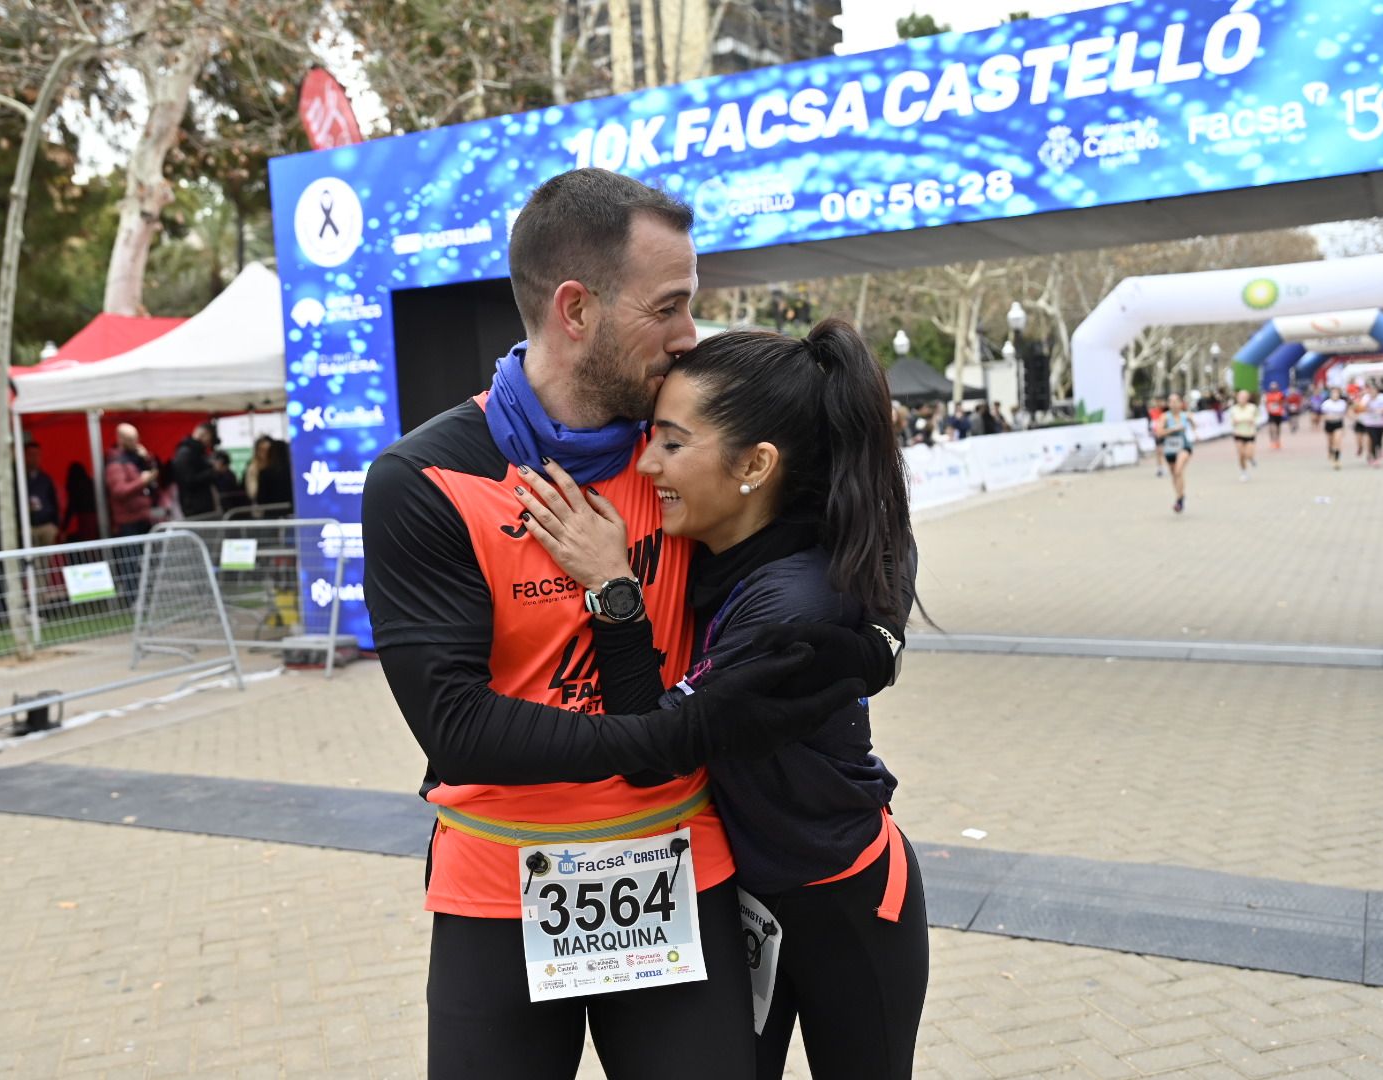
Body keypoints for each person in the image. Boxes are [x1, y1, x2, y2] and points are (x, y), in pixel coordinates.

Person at [360, 168, 894, 1080]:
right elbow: (459, 732)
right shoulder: (423, 481)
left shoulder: (688, 454)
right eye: (670, 306)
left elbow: (827, 545)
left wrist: (851, 649)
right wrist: (670, 732)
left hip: (683, 876)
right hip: (500, 890)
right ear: (576, 309)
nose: (691, 335)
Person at [512, 319, 927, 1080]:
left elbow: (656, 748)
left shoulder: (791, 601)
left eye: (672, 443)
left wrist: (613, 592)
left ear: (756, 464)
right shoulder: (735, 549)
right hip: (745, 899)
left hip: (846, 903)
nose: (645, 463)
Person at [104, 423, 158, 539]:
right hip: (128, 522)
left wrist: (147, 459)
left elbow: (155, 472)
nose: (136, 442)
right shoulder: (115, 463)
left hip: (143, 517)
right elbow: (119, 491)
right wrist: (142, 481)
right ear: (121, 440)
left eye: (137, 438)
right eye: (132, 439)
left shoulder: (136, 458)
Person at [170, 421, 220, 519]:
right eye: (210, 439)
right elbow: (187, 480)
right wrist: (212, 472)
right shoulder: (186, 453)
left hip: (201, 505)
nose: (209, 444)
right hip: (194, 507)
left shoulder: (197, 452)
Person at [1156, 392, 1193, 513]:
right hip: (1170, 449)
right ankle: (1180, 496)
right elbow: (1159, 433)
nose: (1174, 404)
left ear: (1181, 403)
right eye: (1171, 401)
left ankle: (1179, 499)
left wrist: (1193, 423)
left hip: (1184, 446)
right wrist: (1173, 429)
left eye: (1176, 401)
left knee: (1178, 470)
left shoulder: (1185, 415)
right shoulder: (1165, 417)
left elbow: (1195, 427)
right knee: (1175, 474)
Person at [22, 437, 61, 546]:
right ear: (24, 456)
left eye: (37, 455)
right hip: (28, 527)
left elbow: (54, 502)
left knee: (46, 558)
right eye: (31, 455)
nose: (34, 458)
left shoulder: (46, 479)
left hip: (46, 525)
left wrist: (56, 524)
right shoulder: (19, 479)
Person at [60, 461, 98, 542]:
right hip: (96, 518)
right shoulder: (91, 484)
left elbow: (70, 508)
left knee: (86, 542)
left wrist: (63, 528)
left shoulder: (75, 487)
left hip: (85, 520)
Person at [1228, 389, 1258, 481]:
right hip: (1239, 434)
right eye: (1240, 397)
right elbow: (1231, 421)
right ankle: (1244, 472)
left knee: (1248, 454)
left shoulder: (1252, 408)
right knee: (1241, 454)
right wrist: (1235, 422)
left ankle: (1251, 459)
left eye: (1244, 397)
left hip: (1249, 434)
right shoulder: (1233, 409)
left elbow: (1256, 419)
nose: (1242, 399)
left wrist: (1252, 421)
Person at [1361, 381, 1383, 467]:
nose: (1372, 391)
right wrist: (1369, 402)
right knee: (1373, 439)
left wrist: (1382, 410)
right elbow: (1361, 408)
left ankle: (1379, 450)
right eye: (1370, 390)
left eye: (1374, 390)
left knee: (1379, 440)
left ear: (1377, 390)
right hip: (1369, 423)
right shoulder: (1366, 398)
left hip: (1380, 422)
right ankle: (1375, 458)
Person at [1319, 386, 1348, 470]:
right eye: (1333, 393)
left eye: (1337, 393)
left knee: (1337, 442)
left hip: (1338, 424)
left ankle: (1337, 460)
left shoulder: (1342, 403)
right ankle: (1330, 451)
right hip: (1329, 424)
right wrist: (1327, 418)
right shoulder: (1326, 403)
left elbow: (1345, 414)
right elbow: (1323, 415)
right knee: (1330, 442)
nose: (1335, 394)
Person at [243, 434, 273, 505]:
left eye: (268, 450)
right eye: (262, 450)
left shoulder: (276, 467)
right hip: (261, 507)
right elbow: (253, 492)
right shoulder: (253, 468)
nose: (265, 453)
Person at [1264, 381, 1287, 449]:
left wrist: (1282, 408)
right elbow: (1266, 403)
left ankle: (1277, 441)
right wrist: (1268, 408)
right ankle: (1272, 441)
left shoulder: (1280, 394)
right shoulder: (1268, 395)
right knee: (1272, 428)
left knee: (1278, 428)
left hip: (1278, 413)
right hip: (1271, 414)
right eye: (1272, 386)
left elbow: (1284, 402)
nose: (1273, 388)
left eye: (1274, 386)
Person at [1147, 396, 1166, 477]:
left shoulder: (1166, 411)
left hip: (1166, 433)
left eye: (1160, 402)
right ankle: (1160, 468)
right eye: (1157, 402)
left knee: (1166, 451)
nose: (1159, 403)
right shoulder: (1152, 412)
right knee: (1159, 451)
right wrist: (1151, 431)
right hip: (1157, 434)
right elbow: (1150, 423)